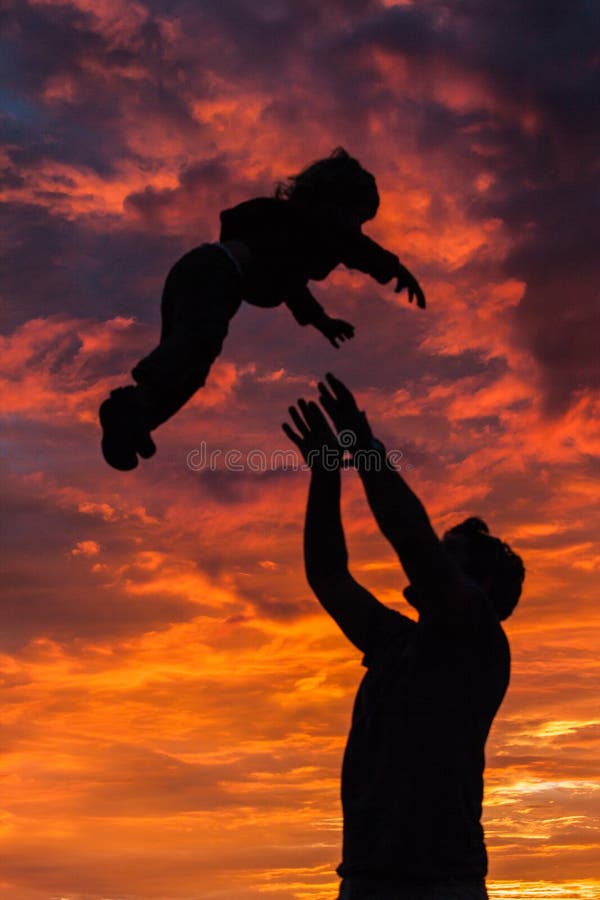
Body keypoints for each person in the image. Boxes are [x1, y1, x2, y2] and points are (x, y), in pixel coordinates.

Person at [282, 373, 525, 900]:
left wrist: (364, 450)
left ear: (482, 588)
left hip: (439, 886)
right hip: (368, 880)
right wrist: (325, 474)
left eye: (450, 556)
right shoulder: (398, 645)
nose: (435, 562)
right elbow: (328, 575)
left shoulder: (477, 640)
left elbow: (412, 539)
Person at [99, 148, 426, 470]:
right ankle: (129, 405)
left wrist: (323, 322)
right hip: (212, 271)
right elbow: (352, 247)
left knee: (193, 369)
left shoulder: (295, 249)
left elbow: (294, 288)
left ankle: (135, 424)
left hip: (205, 279)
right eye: (357, 218)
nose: (358, 228)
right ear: (331, 202)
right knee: (199, 343)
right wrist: (395, 269)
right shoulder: (301, 223)